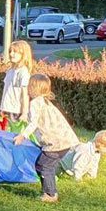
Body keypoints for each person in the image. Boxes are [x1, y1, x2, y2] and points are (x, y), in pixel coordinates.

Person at [13, 74, 79, 203]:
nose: (27, 89)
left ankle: (50, 194)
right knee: (47, 166)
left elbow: (34, 123)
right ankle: (50, 191)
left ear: (33, 88)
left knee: (43, 166)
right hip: (65, 141)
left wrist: (23, 135)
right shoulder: (45, 101)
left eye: (29, 86)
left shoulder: (35, 103)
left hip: (55, 143)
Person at [0, 40, 33, 125]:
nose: (11, 54)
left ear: (23, 54)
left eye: (15, 52)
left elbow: (25, 94)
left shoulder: (23, 72)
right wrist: (3, 107)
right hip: (8, 108)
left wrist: (24, 113)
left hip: (17, 110)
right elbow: (6, 90)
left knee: (16, 134)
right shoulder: (10, 71)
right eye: (10, 51)